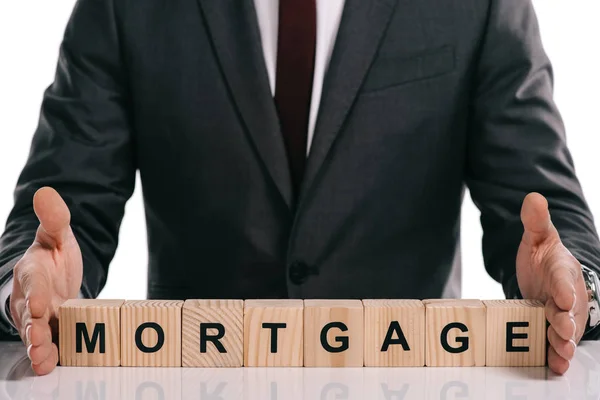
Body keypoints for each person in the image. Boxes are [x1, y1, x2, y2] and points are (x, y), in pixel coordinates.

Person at [1, 0, 599, 376]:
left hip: (408, 378)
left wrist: (573, 283)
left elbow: (545, 210)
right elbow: (59, 207)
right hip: (197, 378)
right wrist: (28, 286)